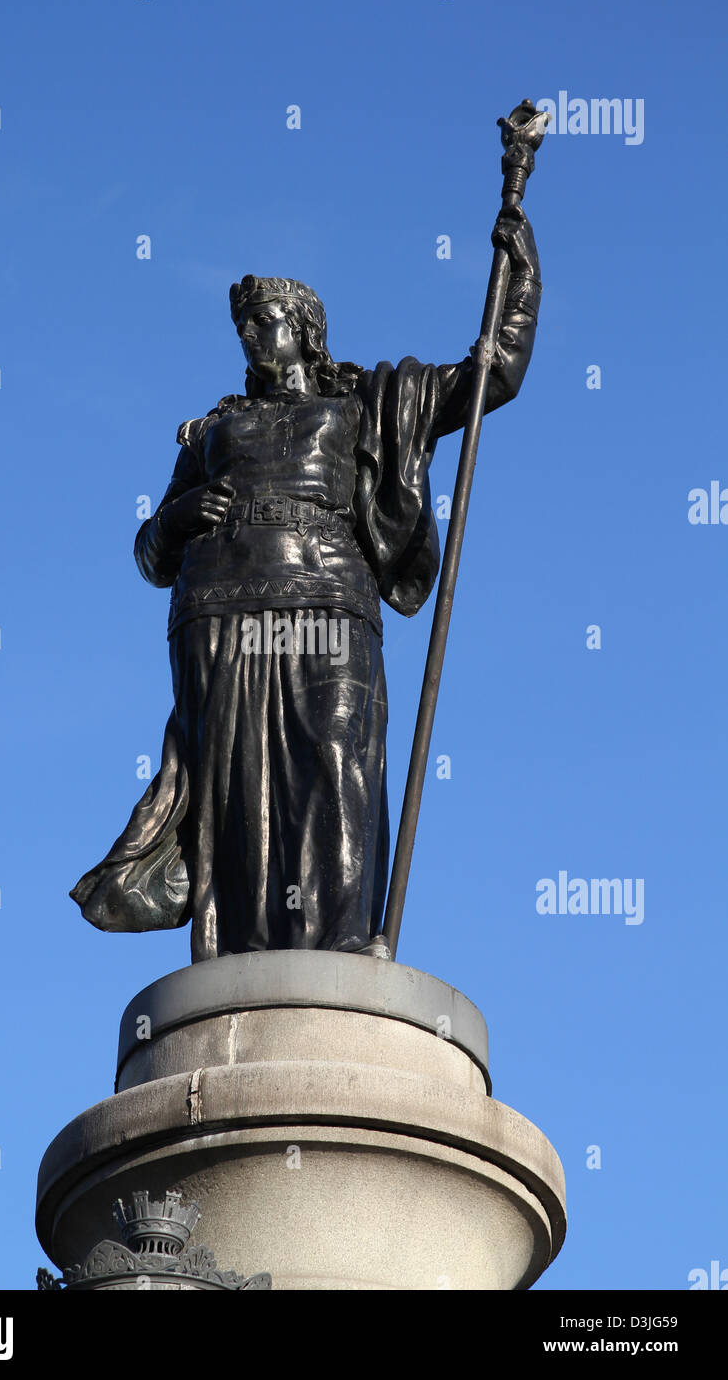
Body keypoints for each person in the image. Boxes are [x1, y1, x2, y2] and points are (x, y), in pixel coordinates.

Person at [70, 204, 541, 963]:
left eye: (266, 320)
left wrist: (520, 269)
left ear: (304, 327)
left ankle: (342, 944)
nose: (252, 335)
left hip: (328, 599)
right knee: (238, 786)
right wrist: (184, 511)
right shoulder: (212, 431)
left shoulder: (362, 404)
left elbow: (491, 376)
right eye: (244, 326)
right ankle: (242, 954)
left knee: (334, 758)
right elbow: (151, 555)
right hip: (223, 610)